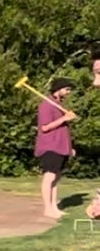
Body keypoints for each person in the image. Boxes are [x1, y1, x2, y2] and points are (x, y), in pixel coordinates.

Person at [35, 78, 75, 219]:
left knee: (56, 178)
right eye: (67, 89)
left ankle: (54, 207)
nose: (68, 92)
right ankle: (47, 209)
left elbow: (63, 130)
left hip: (61, 146)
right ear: (58, 89)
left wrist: (70, 147)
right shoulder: (46, 105)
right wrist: (64, 119)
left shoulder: (58, 105)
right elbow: (44, 127)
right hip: (49, 146)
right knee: (49, 176)